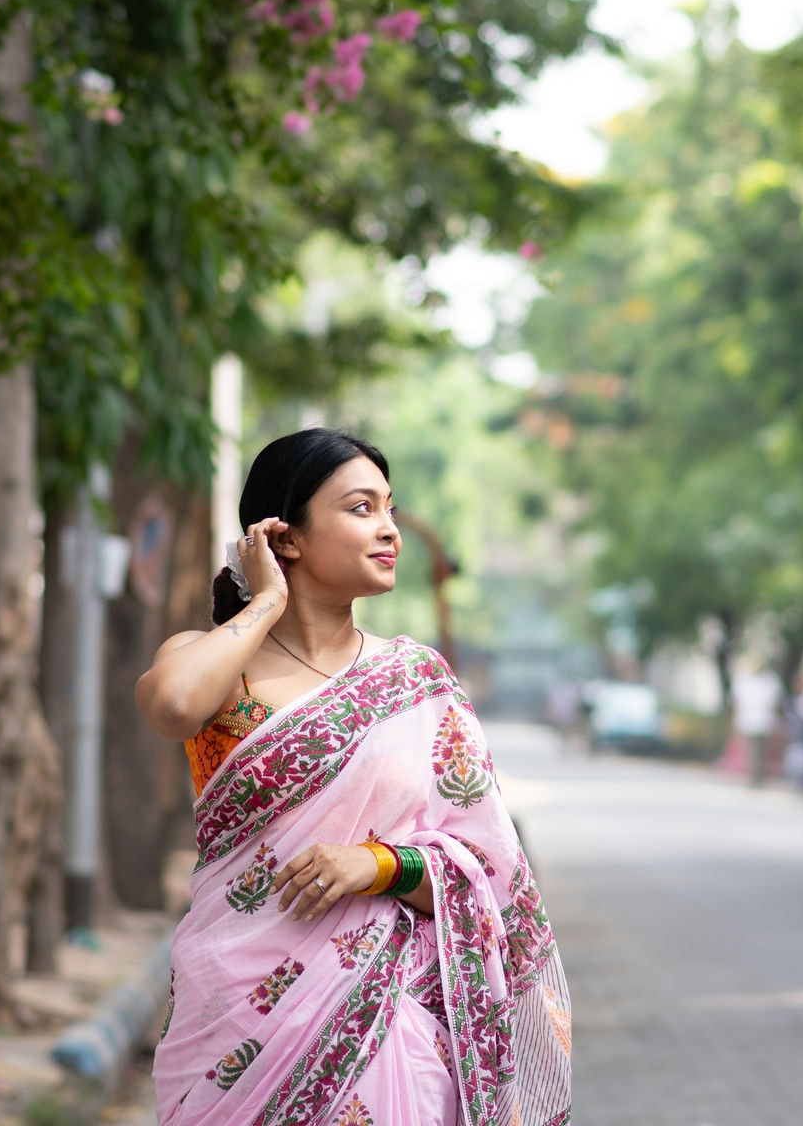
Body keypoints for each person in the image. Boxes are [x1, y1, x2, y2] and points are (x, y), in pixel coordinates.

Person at [135, 427, 571, 1126]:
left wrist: (377, 865)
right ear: (287, 536)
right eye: (361, 508)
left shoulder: (415, 682)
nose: (389, 529)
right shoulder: (209, 660)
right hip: (233, 1013)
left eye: (390, 509)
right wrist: (268, 602)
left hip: (388, 1017)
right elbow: (174, 706)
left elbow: (492, 874)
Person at [730, 657, 783, 787]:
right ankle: (754, 776)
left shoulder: (769, 680)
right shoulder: (743, 679)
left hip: (764, 718)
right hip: (749, 718)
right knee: (751, 750)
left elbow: (775, 700)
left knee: (761, 750)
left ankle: (759, 776)